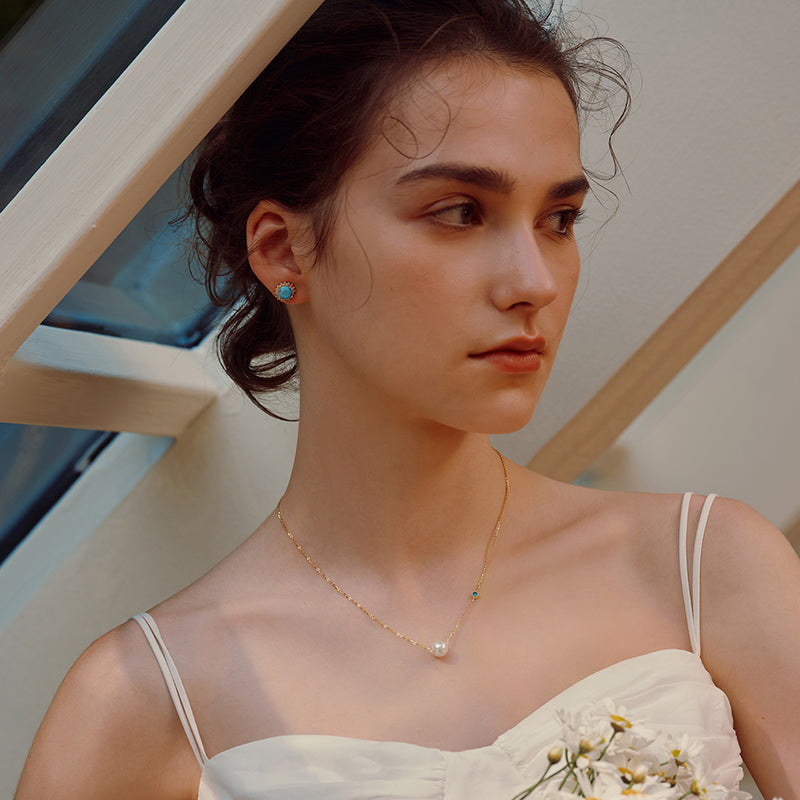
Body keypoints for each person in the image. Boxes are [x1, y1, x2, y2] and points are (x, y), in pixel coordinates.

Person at [15, 1, 800, 798]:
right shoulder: (144, 700)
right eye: (460, 213)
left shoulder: (705, 566)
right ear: (285, 249)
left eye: (559, 219)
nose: (534, 283)